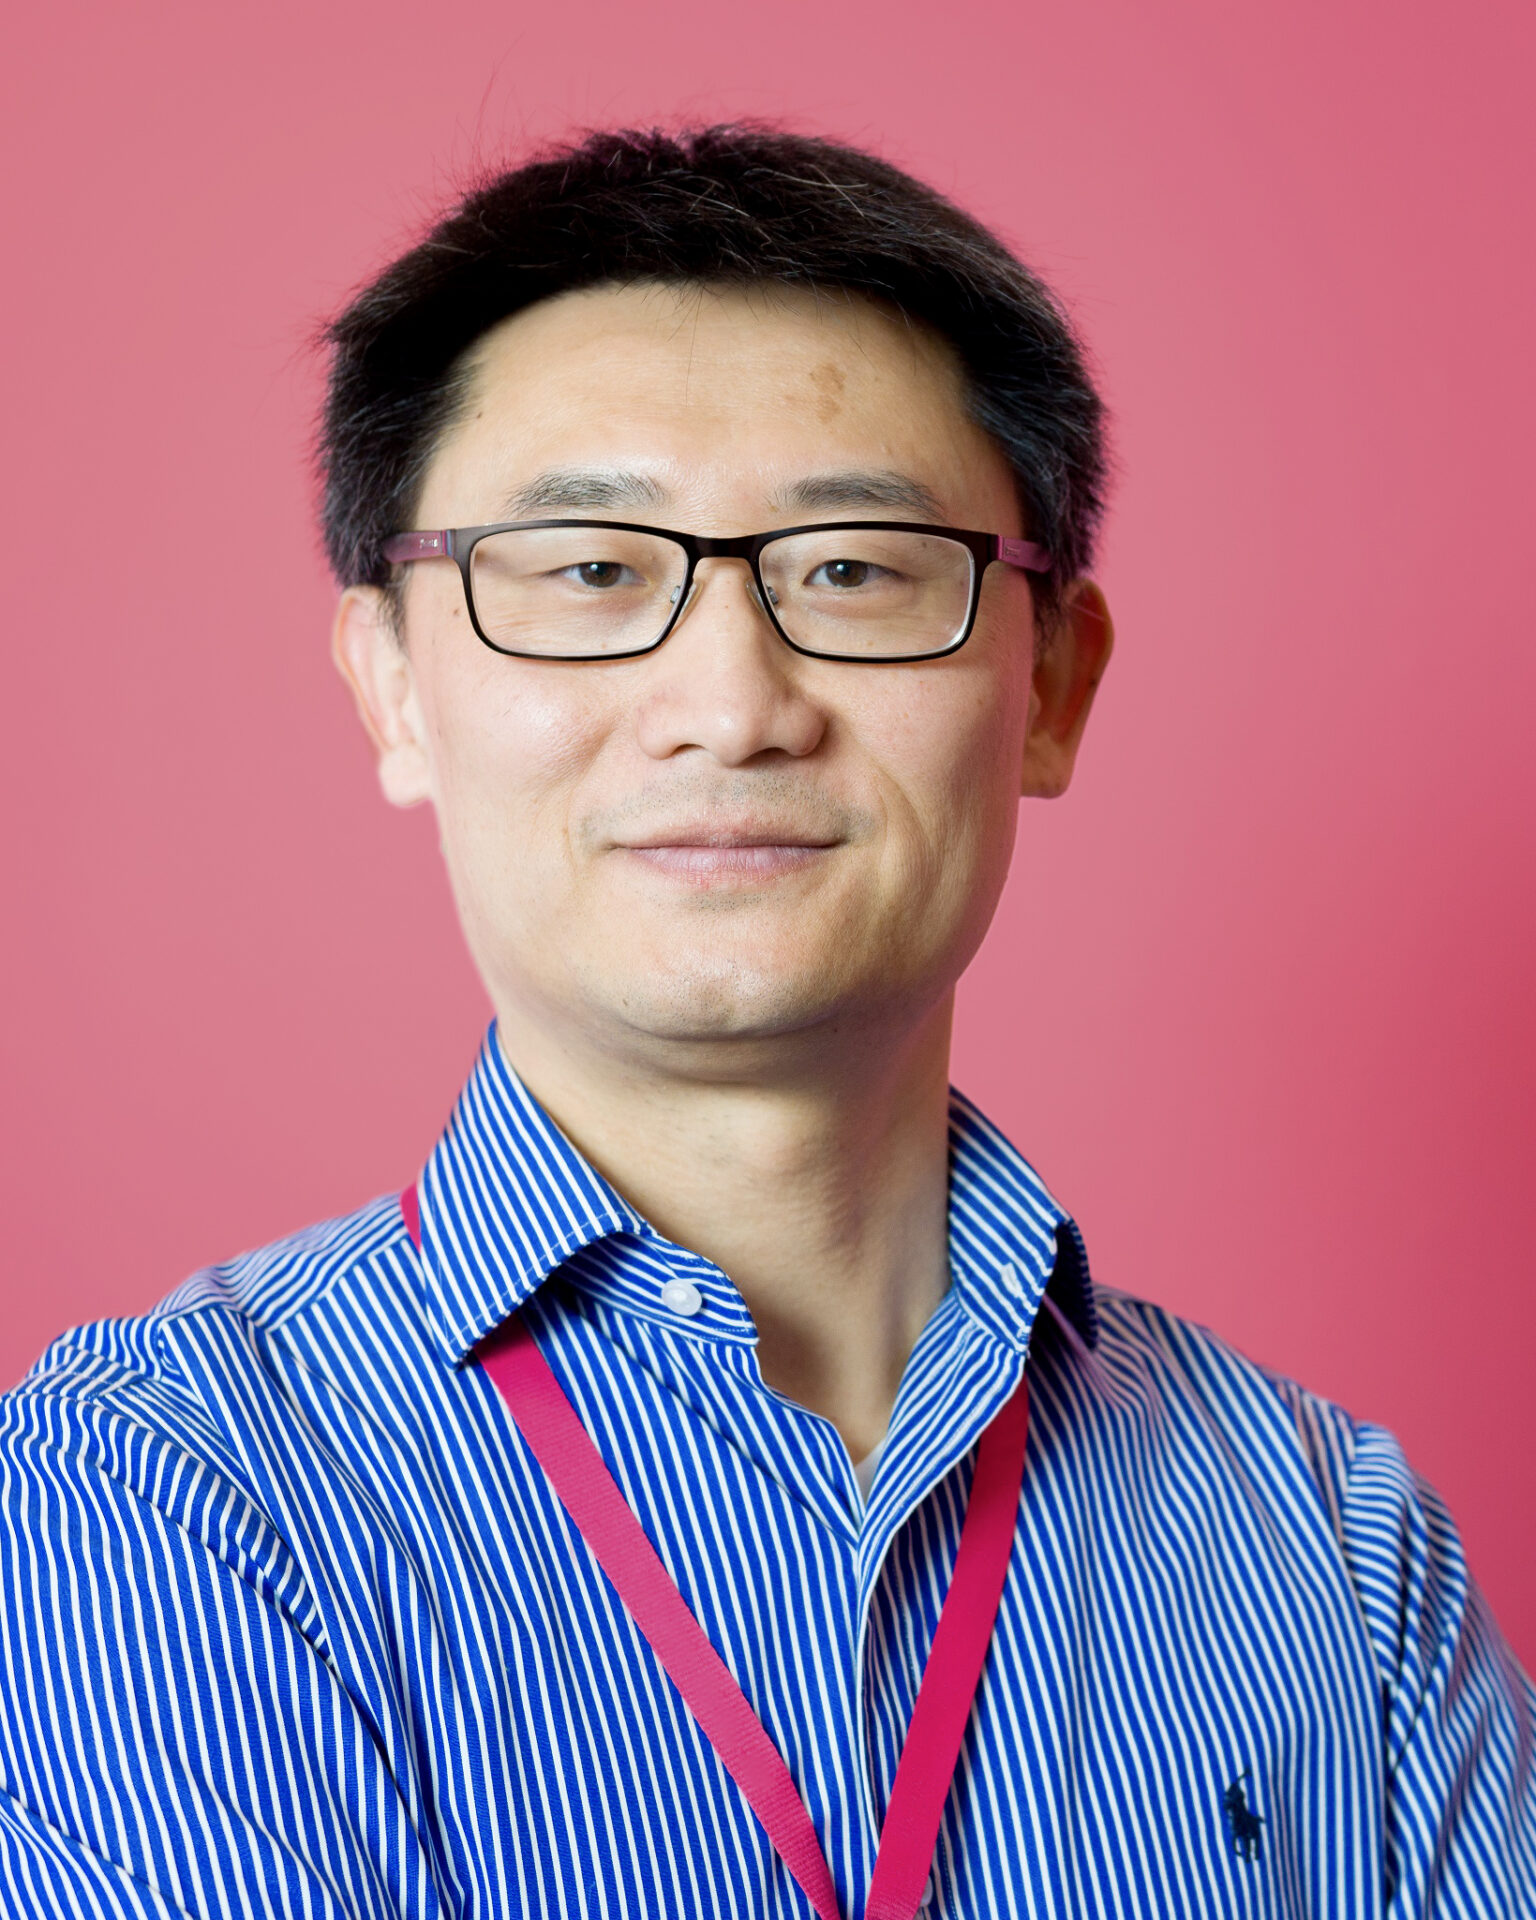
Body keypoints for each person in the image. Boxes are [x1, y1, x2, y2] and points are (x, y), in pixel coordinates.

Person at [0, 124, 1529, 1920]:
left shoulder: (1336, 1548)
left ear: (1050, 687)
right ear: (394, 687)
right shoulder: (165, 1489)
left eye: (858, 569)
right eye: (586, 576)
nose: (729, 707)